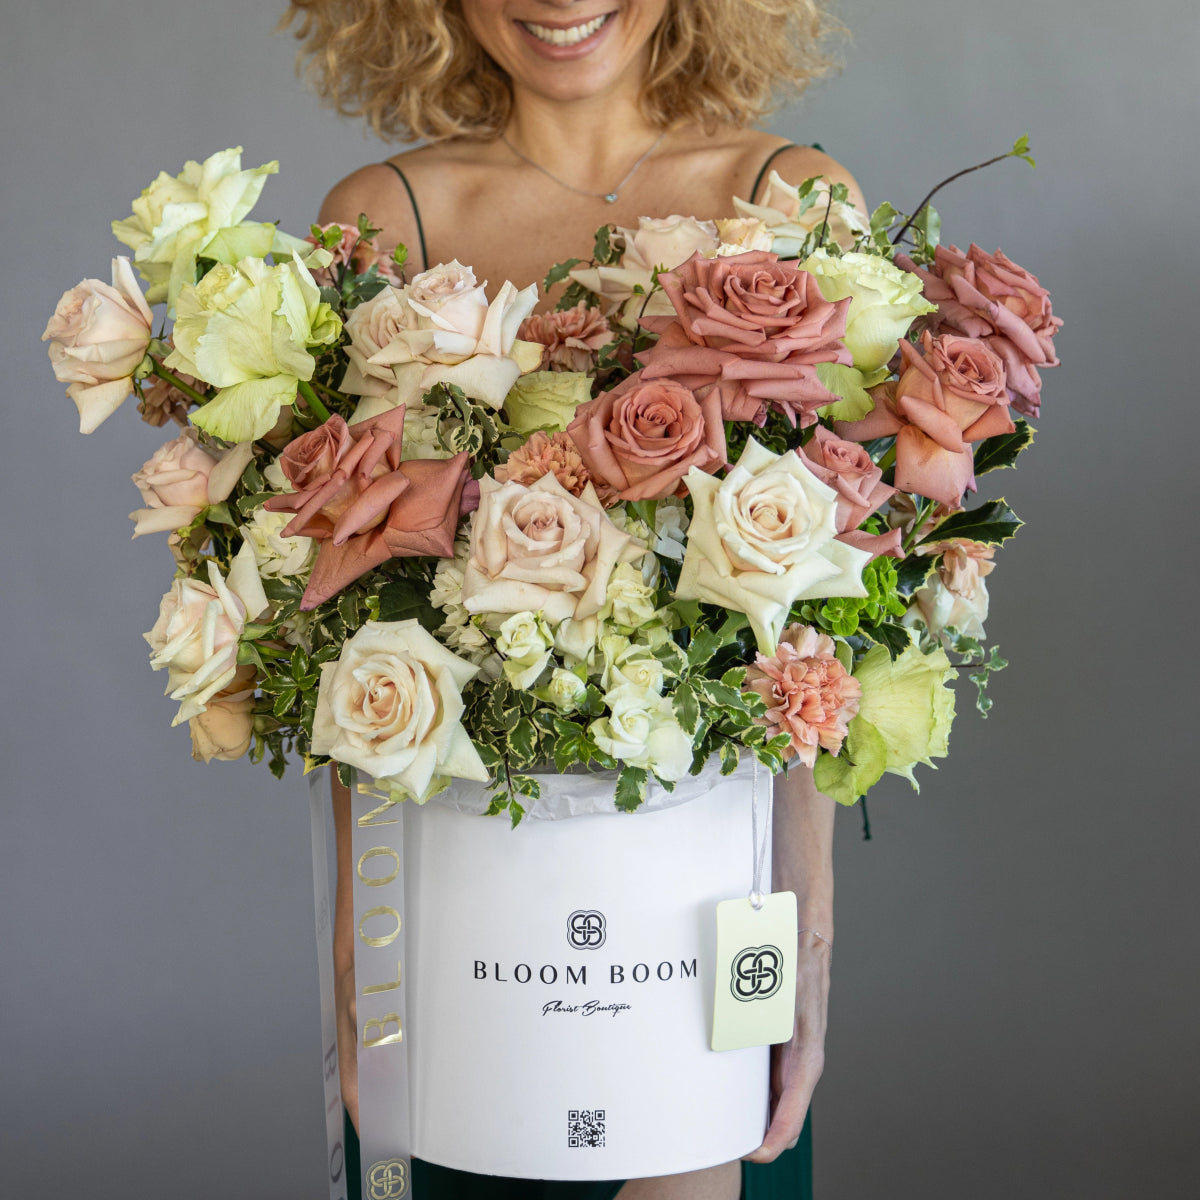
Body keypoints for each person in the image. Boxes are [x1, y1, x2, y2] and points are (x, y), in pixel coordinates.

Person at [286, 1, 860, 1195]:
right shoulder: (380, 219)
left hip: (703, 896)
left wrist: (802, 919)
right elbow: (343, 620)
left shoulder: (789, 198)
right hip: (460, 909)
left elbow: (818, 614)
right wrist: (360, 939)